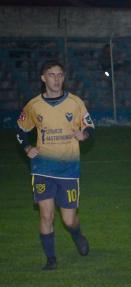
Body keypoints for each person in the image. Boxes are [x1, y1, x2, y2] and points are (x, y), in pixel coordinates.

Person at [15, 60, 95, 270]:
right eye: (52, 75)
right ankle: (51, 259)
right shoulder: (33, 105)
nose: (56, 79)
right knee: (46, 214)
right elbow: (20, 131)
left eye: (60, 75)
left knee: (69, 220)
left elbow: (90, 126)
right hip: (43, 169)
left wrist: (84, 133)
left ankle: (77, 235)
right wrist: (27, 148)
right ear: (43, 78)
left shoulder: (75, 103)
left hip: (68, 170)